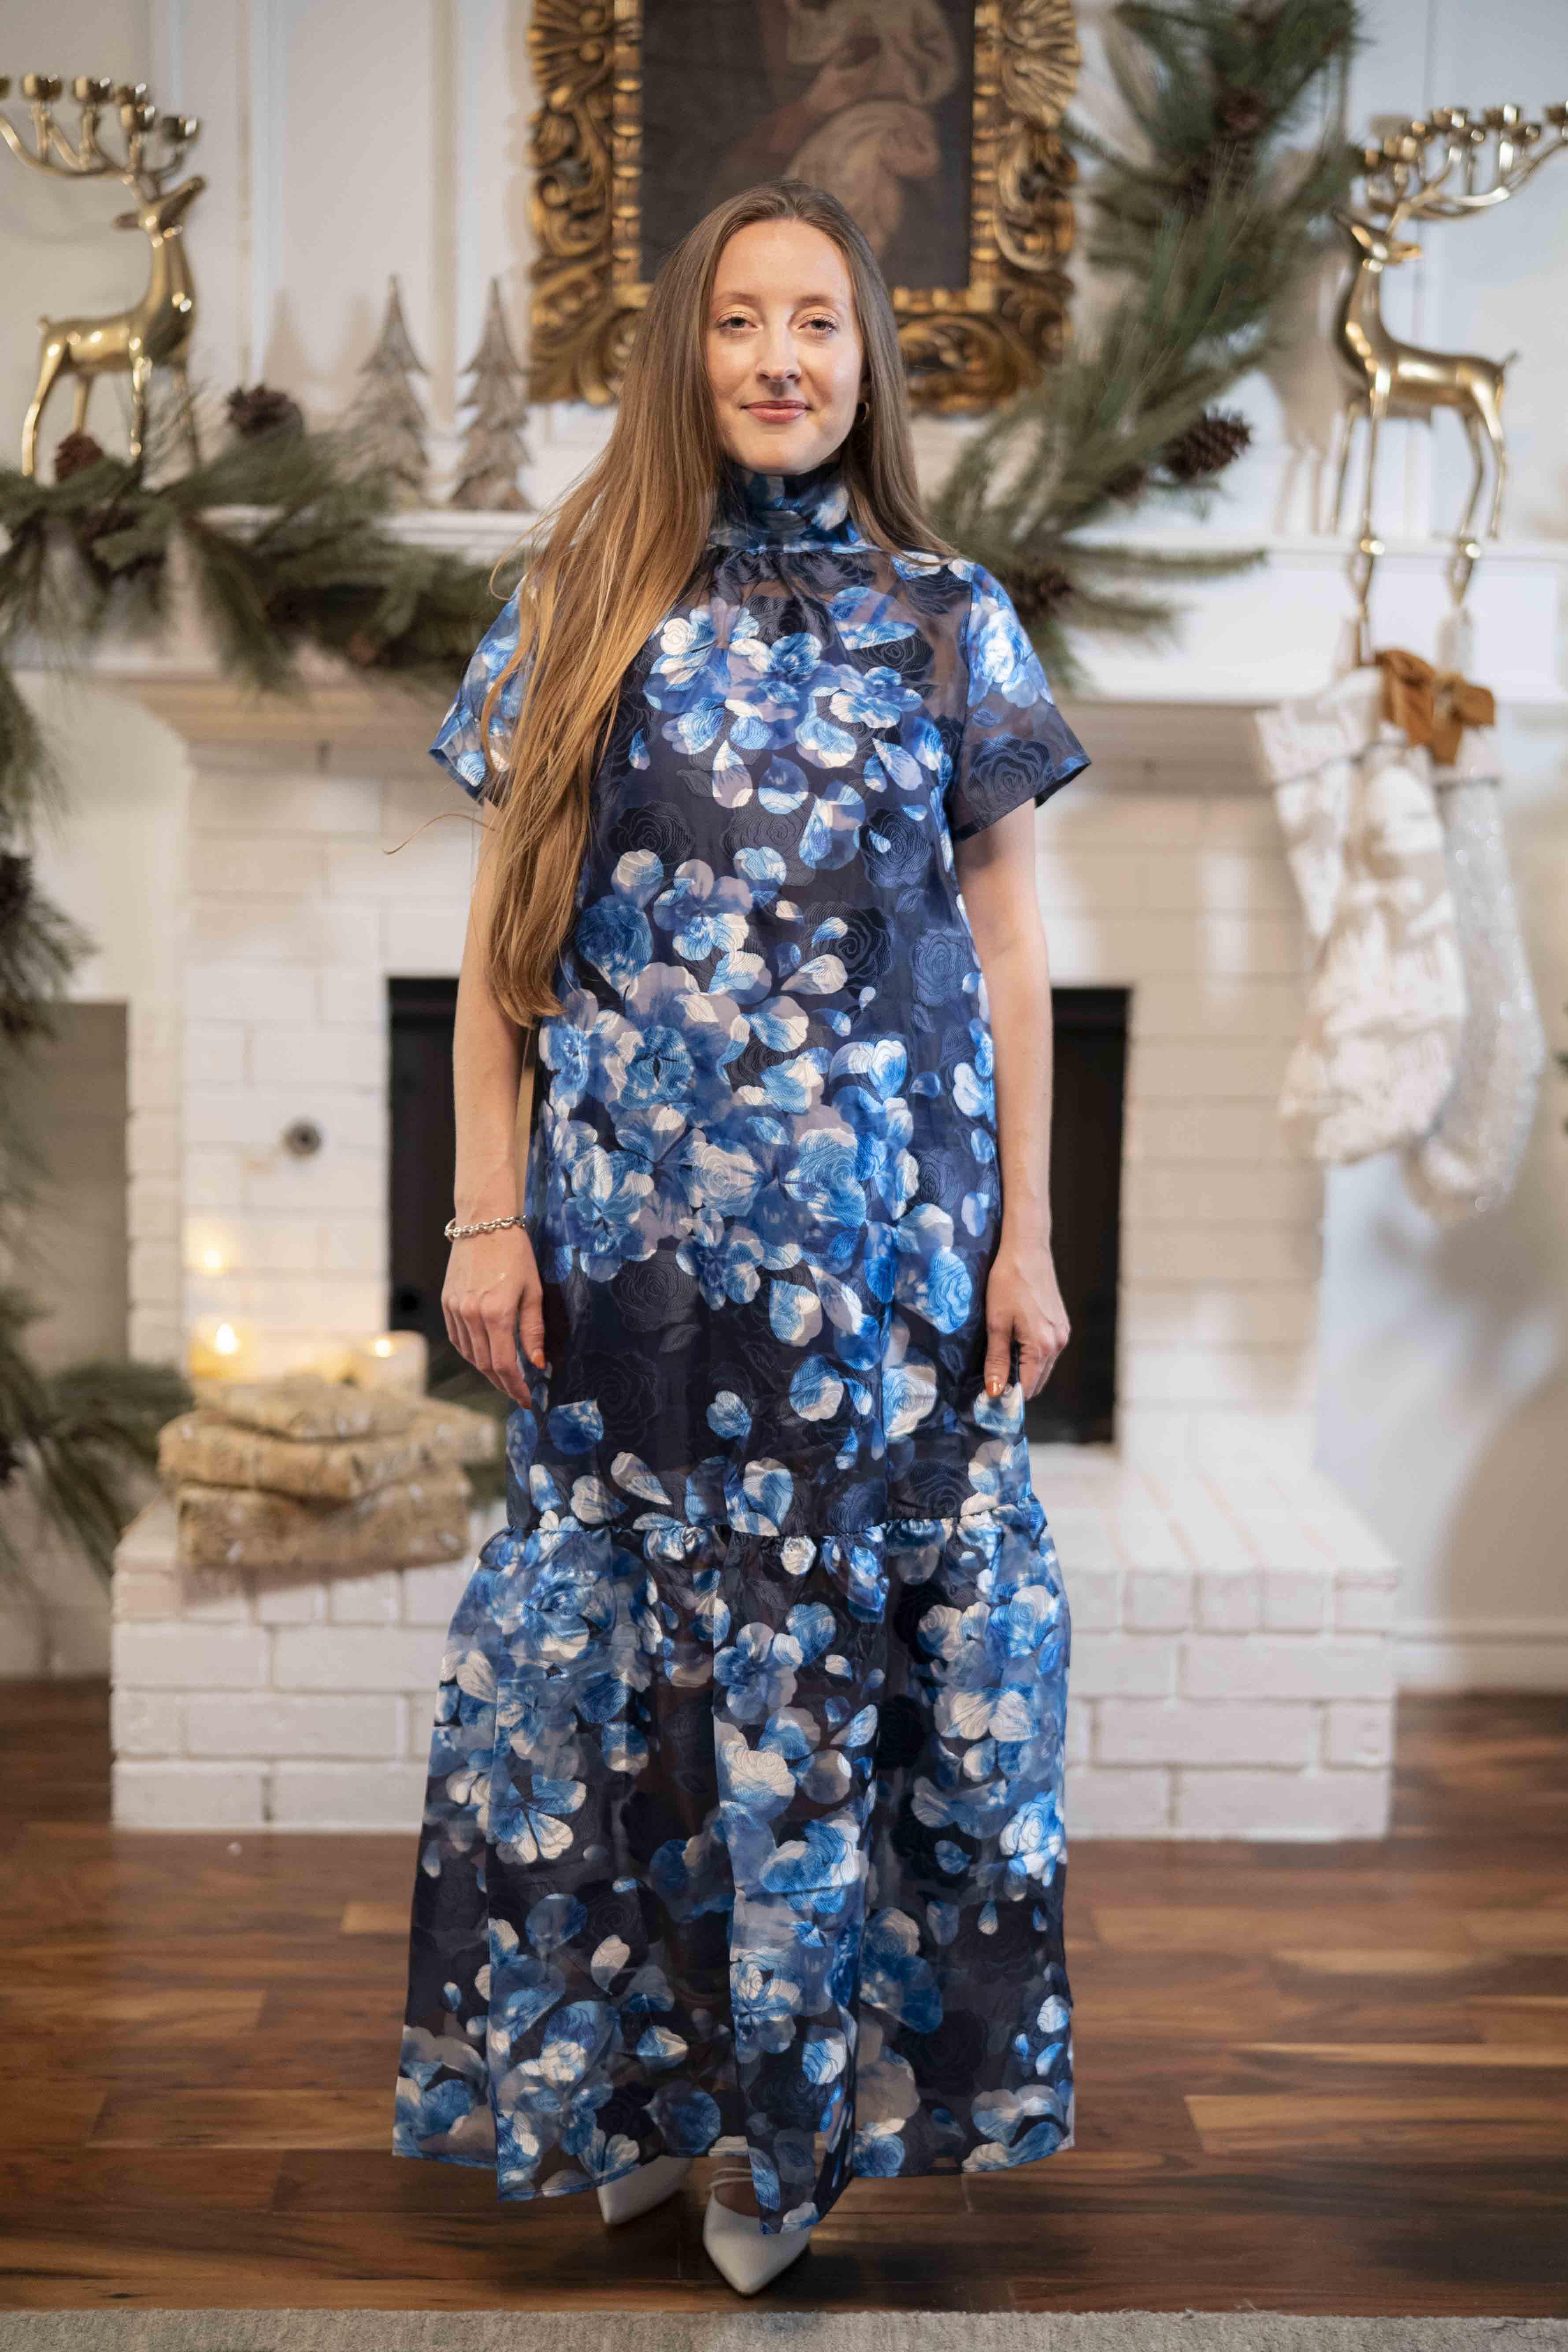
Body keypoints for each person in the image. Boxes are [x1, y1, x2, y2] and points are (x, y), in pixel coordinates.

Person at [393, 174, 1087, 2298]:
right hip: (626, 1278)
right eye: (738, 321)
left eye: (819, 323)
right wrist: (483, 1214)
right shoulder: (581, 599)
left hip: (876, 1280)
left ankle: (777, 2145)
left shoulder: (947, 616)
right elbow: (500, 949)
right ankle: (617, 2091)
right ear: (681, 356)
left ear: (864, 362)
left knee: (817, 1702)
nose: (781, 355)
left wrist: (1026, 1241)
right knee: (608, 1688)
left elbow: (1006, 950)